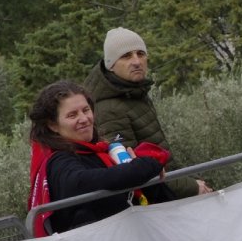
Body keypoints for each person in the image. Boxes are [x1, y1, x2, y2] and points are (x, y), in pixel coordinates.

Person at [28, 81, 173, 233]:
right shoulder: (58, 161)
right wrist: (145, 166)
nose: (84, 118)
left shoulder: (99, 150)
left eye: (86, 110)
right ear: (53, 125)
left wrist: (144, 164)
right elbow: (85, 182)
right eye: (72, 115)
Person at [83, 28, 210, 197]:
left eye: (141, 54)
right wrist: (192, 187)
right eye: (126, 56)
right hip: (155, 203)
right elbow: (133, 169)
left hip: (167, 191)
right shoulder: (110, 109)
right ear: (110, 65)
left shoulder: (133, 93)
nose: (136, 61)